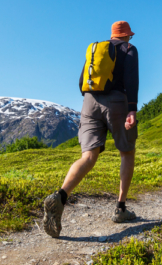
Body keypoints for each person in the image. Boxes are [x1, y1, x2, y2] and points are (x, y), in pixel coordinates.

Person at [42, 21, 139, 238]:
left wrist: (93, 103)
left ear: (112, 35)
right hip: (117, 102)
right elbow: (132, 80)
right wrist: (131, 109)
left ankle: (60, 196)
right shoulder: (129, 49)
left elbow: (81, 81)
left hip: (89, 101)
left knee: (88, 156)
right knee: (127, 151)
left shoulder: (97, 49)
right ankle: (121, 208)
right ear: (127, 36)